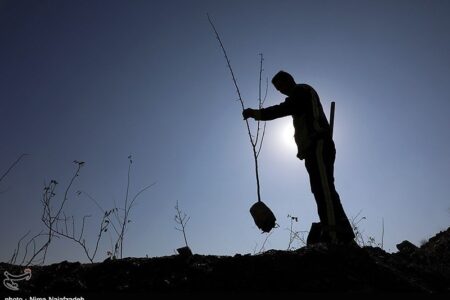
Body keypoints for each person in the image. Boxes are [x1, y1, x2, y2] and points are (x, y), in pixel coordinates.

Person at [242, 70, 355, 245]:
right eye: (278, 90)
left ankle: (336, 235)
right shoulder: (299, 96)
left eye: (281, 87)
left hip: (318, 145)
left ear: (289, 81)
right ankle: (337, 230)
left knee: (324, 190)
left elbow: (283, 109)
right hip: (312, 150)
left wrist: (255, 113)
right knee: (321, 190)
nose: (281, 91)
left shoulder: (301, 92)